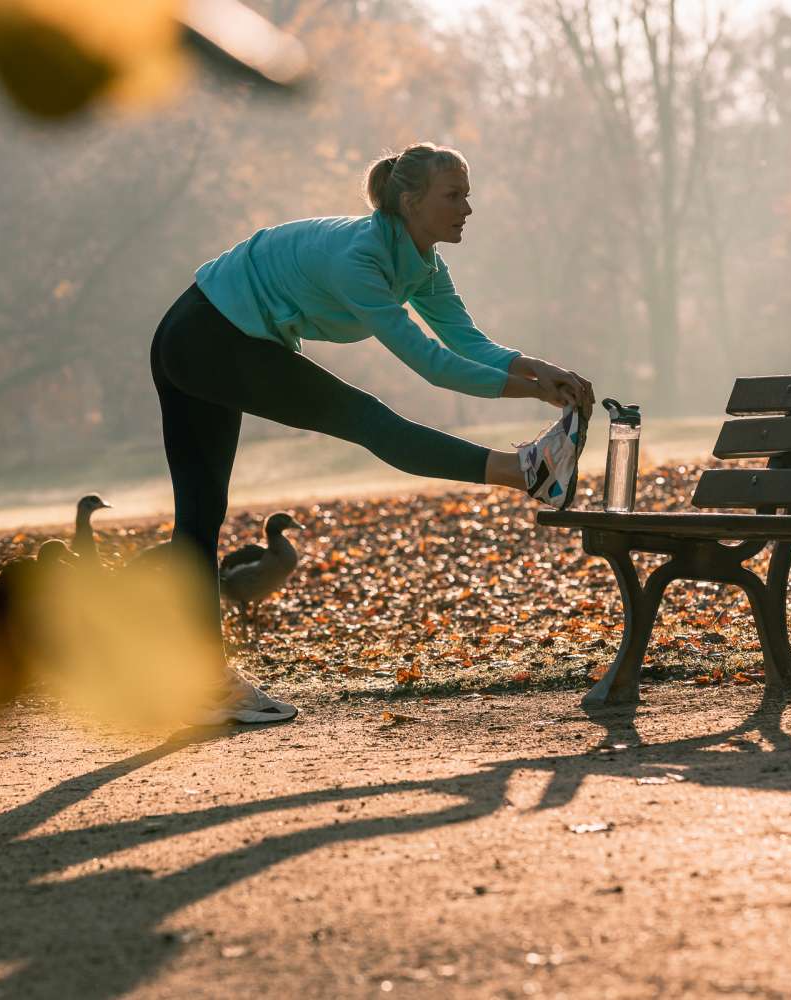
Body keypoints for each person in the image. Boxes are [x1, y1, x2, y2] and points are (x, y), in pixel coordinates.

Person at [150, 142, 595, 725]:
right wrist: (534, 392)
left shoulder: (424, 265)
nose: (467, 208)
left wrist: (543, 371)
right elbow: (432, 365)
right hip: (209, 337)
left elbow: (469, 345)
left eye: (468, 195)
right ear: (410, 202)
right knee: (367, 420)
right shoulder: (360, 259)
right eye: (453, 196)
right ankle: (524, 472)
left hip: (202, 334)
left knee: (201, 518)